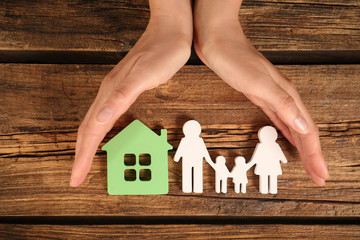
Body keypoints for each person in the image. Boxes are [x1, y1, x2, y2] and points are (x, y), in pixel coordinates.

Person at [70, 0, 329, 187]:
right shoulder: (190, 140)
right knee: (192, 178)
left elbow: (196, 152)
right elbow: (188, 152)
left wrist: (217, 19)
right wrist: (171, 16)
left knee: (259, 181)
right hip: (197, 163)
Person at [173, 120, 212, 193]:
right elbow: (180, 149)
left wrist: (177, 158)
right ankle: (188, 188)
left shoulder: (199, 140)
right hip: (189, 160)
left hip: (195, 160)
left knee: (197, 174)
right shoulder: (185, 140)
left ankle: (197, 188)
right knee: (188, 174)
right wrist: (177, 157)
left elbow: (204, 150)